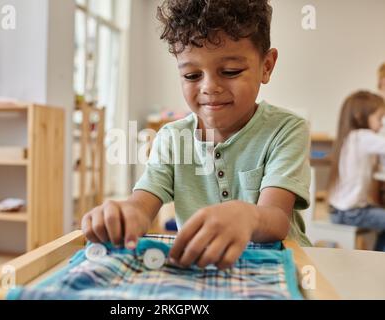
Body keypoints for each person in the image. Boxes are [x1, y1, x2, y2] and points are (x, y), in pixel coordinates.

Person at [82, 0, 311, 270]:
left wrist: (248, 216)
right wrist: (125, 214)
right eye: (191, 75)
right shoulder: (171, 138)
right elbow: (141, 205)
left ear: (267, 66)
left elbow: (277, 218)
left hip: (278, 267)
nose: (209, 87)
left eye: (230, 72)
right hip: (204, 271)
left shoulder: (286, 129)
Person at [328, 91, 385, 251]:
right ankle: (379, 259)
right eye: (379, 118)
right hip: (350, 212)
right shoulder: (362, 137)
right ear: (360, 116)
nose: (381, 124)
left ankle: (378, 256)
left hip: (340, 210)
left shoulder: (350, 137)